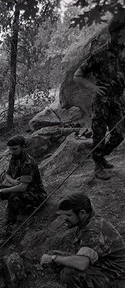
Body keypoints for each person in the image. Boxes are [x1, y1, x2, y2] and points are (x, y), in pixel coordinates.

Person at [40, 192, 125, 288]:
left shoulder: (93, 229)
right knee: (57, 258)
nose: (65, 219)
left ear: (82, 213)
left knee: (69, 272)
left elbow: (82, 263)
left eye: (68, 215)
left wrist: (53, 258)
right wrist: (54, 257)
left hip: (116, 281)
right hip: (104, 269)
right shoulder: (87, 222)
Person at [73, 10, 125, 180]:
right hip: (101, 101)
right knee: (99, 134)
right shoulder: (99, 54)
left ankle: (101, 156)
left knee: (118, 134)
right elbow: (77, 76)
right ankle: (97, 165)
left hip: (118, 100)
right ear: (115, 33)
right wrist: (93, 88)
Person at [0, 135, 47, 235]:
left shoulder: (28, 163)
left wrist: (2, 191)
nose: (12, 151)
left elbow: (22, 187)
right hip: (21, 188)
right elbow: (7, 175)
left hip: (35, 194)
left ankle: (9, 227)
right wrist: (13, 182)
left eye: (15, 149)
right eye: (10, 149)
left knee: (13, 196)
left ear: (23, 147)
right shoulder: (15, 157)